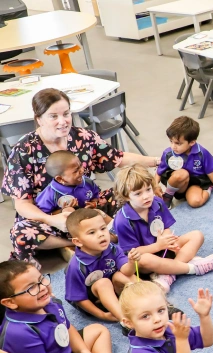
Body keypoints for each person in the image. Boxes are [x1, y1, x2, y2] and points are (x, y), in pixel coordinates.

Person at [1, 88, 158, 267]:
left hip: (88, 206)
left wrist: (155, 161)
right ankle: (78, 242)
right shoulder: (23, 150)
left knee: (132, 194)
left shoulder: (83, 137)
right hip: (52, 216)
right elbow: (22, 204)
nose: (63, 121)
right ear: (39, 119)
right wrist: (53, 220)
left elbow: (117, 157)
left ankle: (99, 236)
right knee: (21, 232)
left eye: (66, 114)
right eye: (53, 116)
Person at [0, 260, 132, 353]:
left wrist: (83, 352)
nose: (43, 287)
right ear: (10, 302)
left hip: (65, 352)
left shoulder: (49, 302)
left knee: (98, 330)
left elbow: (67, 327)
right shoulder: (19, 333)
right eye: (32, 287)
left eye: (41, 279)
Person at [112, 164, 213, 293]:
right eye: (138, 193)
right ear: (126, 196)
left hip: (164, 250)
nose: (146, 196)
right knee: (144, 259)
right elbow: (133, 253)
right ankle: (192, 268)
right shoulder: (122, 221)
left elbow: (166, 227)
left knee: (197, 235)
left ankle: (167, 275)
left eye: (148, 189)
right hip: (145, 259)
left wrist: (168, 240)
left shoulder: (157, 202)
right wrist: (159, 246)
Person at [64, 209, 137, 334]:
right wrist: (102, 315)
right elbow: (79, 299)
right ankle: (126, 323)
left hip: (113, 290)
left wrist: (131, 262)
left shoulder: (112, 248)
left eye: (103, 228)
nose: (101, 234)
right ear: (78, 242)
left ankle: (148, 300)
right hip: (93, 302)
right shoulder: (76, 266)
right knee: (103, 283)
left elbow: (127, 272)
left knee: (120, 275)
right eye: (92, 232)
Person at [157, 116, 213, 209]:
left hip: (196, 183)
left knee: (196, 202)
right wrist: (154, 186)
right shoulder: (168, 153)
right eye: (171, 141)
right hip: (179, 183)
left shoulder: (202, 153)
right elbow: (159, 171)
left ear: (192, 142)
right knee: (181, 174)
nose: (173, 146)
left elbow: (210, 171)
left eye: (178, 143)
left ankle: (207, 189)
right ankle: (168, 196)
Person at [35, 150, 115, 220]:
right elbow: (43, 215)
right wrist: (63, 211)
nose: (81, 171)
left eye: (80, 166)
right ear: (60, 179)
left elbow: (95, 195)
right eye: (76, 171)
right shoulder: (50, 194)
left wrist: (94, 203)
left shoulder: (87, 181)